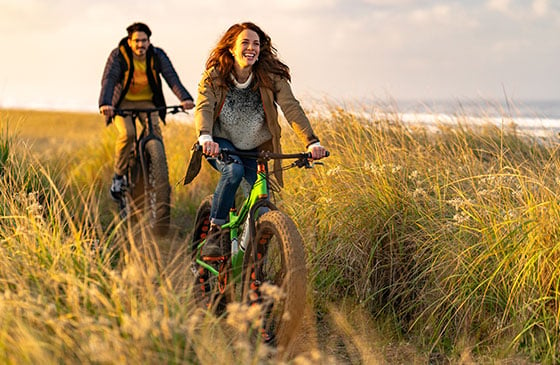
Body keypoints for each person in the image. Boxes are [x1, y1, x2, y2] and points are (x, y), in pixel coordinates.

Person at [193, 22, 327, 258]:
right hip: (222, 145)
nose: (251, 48)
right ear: (232, 48)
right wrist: (205, 137)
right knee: (233, 172)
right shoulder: (214, 76)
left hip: (257, 148)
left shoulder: (270, 77)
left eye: (256, 43)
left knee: (263, 204)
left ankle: (253, 265)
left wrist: (311, 142)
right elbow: (204, 106)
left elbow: (291, 108)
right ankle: (215, 232)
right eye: (244, 42)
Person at [99, 22, 195, 200]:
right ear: (129, 41)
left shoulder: (157, 55)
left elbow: (171, 77)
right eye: (136, 41)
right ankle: (118, 178)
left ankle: (156, 171)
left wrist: (185, 98)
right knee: (127, 134)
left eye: (144, 41)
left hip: (149, 102)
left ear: (149, 42)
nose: (140, 45)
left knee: (155, 134)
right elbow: (110, 78)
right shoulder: (119, 55)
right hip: (122, 104)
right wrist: (106, 103)